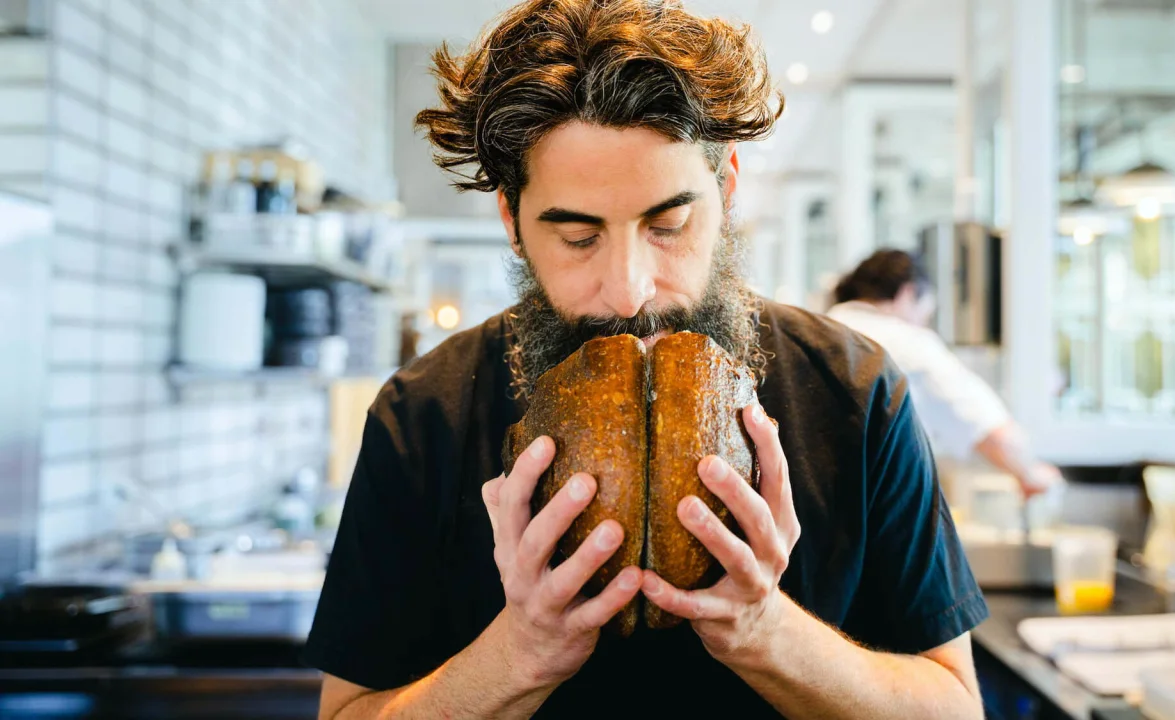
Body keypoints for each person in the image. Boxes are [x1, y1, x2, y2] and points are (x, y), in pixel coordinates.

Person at [302, 2, 988, 718]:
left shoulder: (856, 390)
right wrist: (520, 654)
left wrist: (766, 631)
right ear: (511, 219)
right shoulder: (423, 415)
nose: (629, 292)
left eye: (668, 224)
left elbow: (956, 707)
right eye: (577, 237)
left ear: (726, 185)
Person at [826, 249, 1065, 498]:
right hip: (874, 512)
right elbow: (994, 432)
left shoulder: (812, 333)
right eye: (926, 314)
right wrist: (1031, 474)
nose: (922, 323)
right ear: (907, 293)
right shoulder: (907, 342)